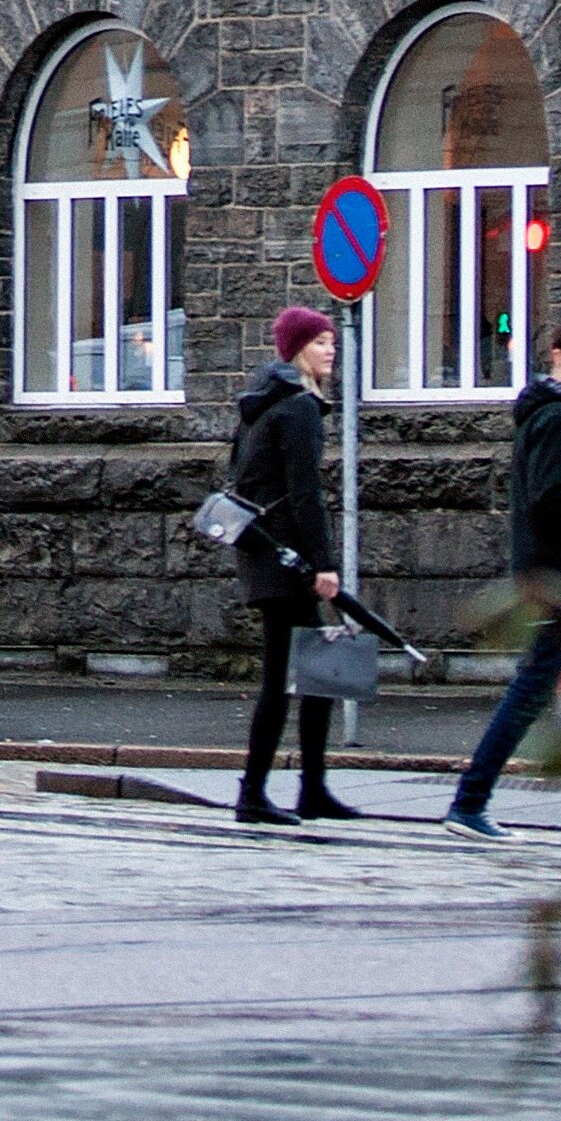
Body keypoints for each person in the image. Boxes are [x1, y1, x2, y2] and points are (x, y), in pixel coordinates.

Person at [444, 316, 561, 844]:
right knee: (531, 694)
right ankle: (469, 801)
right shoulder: (559, 420)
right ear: (559, 358)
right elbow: (550, 499)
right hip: (556, 582)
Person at [229, 299, 357, 827]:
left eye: (332, 340)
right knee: (295, 675)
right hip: (287, 561)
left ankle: (309, 787)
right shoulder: (298, 406)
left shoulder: (264, 403)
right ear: (299, 349)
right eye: (323, 342)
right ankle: (258, 793)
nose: (332, 350)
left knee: (320, 671)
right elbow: (306, 493)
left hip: (265, 553)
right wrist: (323, 564)